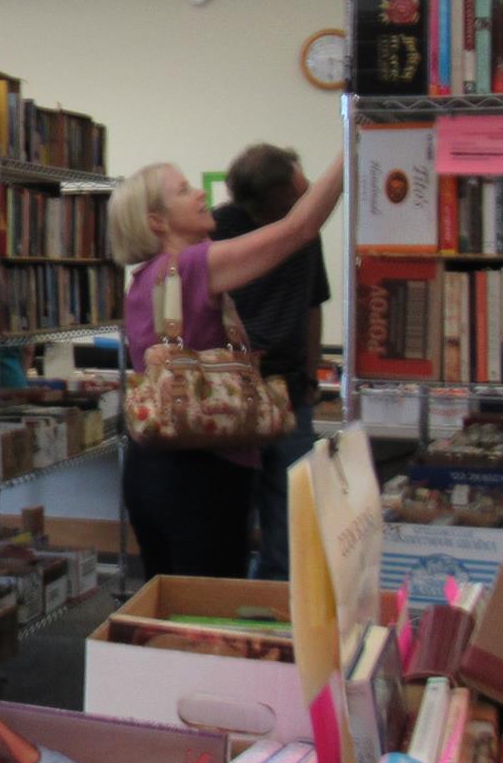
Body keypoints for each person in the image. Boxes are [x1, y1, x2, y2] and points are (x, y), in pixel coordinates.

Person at [108, 154, 343, 578]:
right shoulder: (194, 266)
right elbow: (298, 228)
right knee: (208, 610)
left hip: (154, 466)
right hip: (203, 475)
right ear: (158, 221)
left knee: (170, 603)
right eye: (183, 190)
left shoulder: (146, 277)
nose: (201, 193)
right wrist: (353, 146)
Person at [210, 144, 330, 577]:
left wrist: (312, 376)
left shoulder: (304, 233)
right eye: (295, 192)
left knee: (292, 513)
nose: (304, 198)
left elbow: (313, 305)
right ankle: (235, 598)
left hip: (291, 389)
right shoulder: (217, 230)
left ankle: (279, 602)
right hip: (232, 396)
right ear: (271, 199)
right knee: (231, 509)